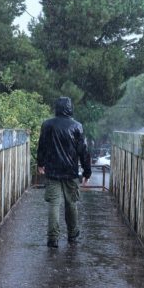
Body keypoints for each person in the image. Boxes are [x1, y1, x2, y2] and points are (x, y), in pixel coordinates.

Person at [36, 96, 90, 247]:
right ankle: (73, 234)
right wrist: (87, 172)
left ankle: (53, 238)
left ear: (57, 108)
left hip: (52, 171)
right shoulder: (77, 126)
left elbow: (42, 146)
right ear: (70, 108)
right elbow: (83, 151)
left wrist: (40, 164)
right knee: (71, 203)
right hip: (71, 172)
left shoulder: (47, 125)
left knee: (54, 204)